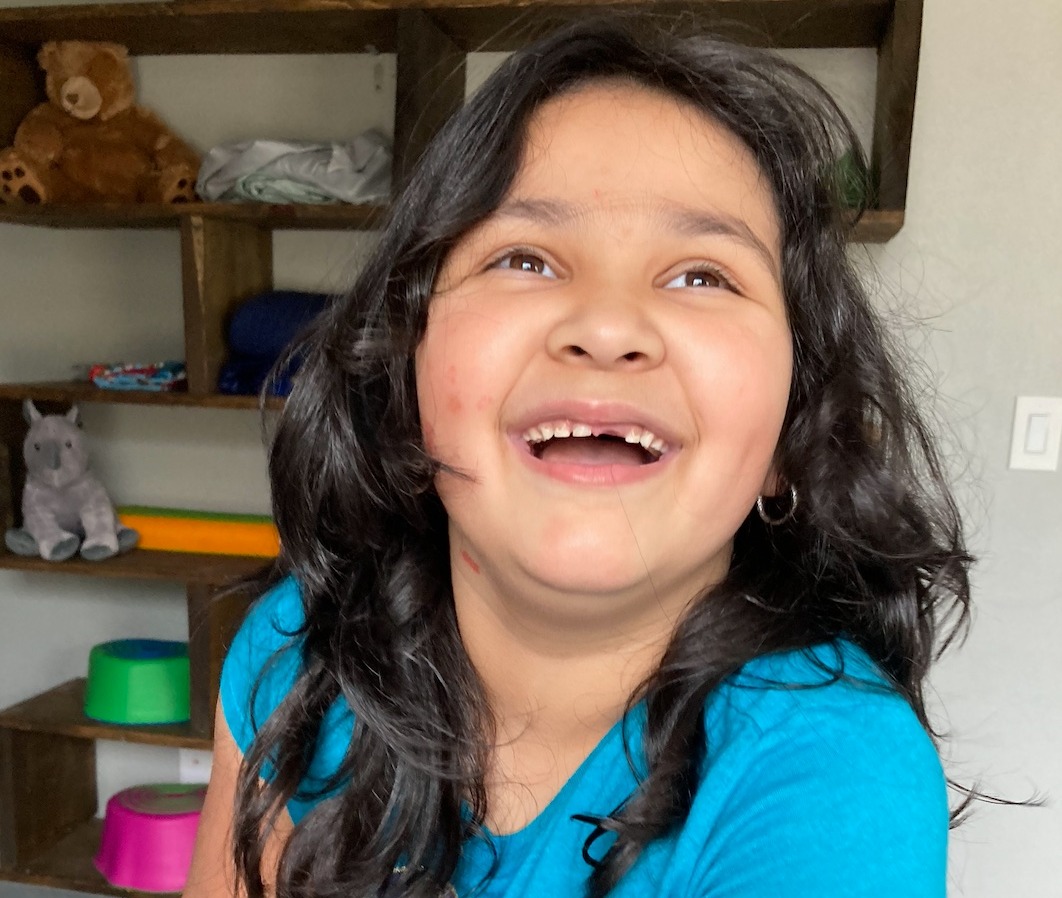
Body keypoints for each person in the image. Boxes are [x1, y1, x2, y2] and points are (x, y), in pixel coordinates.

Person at [184, 17, 971, 898]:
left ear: (793, 437)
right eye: (524, 259)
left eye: (703, 275)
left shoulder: (830, 781)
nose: (606, 326)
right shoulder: (299, 650)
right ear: (405, 382)